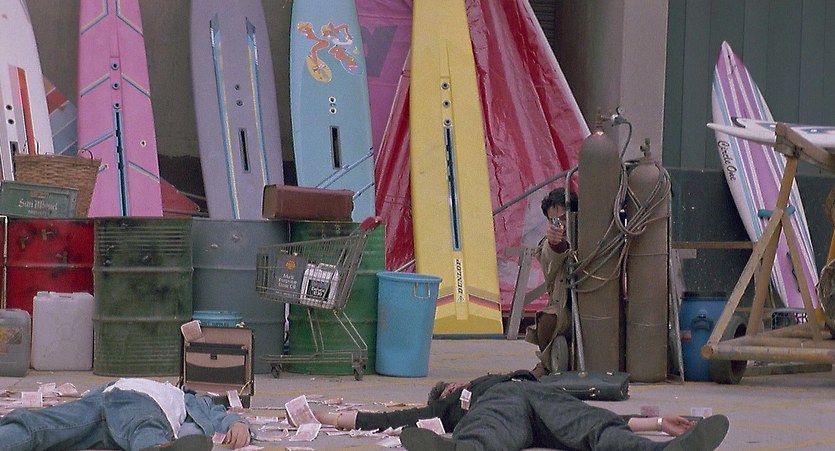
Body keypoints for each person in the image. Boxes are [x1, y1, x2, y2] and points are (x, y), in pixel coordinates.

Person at [312, 370, 729, 451]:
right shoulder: (449, 405)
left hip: (540, 396)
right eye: (448, 387)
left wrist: (659, 423)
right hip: (503, 405)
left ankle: (659, 450)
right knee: (489, 431)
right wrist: (326, 418)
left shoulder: (499, 378)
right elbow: (389, 420)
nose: (454, 384)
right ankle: (460, 450)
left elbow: (606, 416)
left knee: (594, 425)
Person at [0, 378, 252, 451]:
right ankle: (154, 447)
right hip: (131, 402)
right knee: (144, 425)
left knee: (40, 426)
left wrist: (237, 423)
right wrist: (237, 422)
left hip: (99, 408)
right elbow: (217, 412)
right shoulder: (168, 394)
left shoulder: (186, 397)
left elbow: (218, 412)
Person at [526, 187, 578, 377]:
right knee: (546, 319)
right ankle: (547, 364)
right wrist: (556, 244)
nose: (560, 226)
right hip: (566, 313)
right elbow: (549, 257)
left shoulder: (592, 237)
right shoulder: (546, 245)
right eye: (554, 221)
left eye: (563, 219)